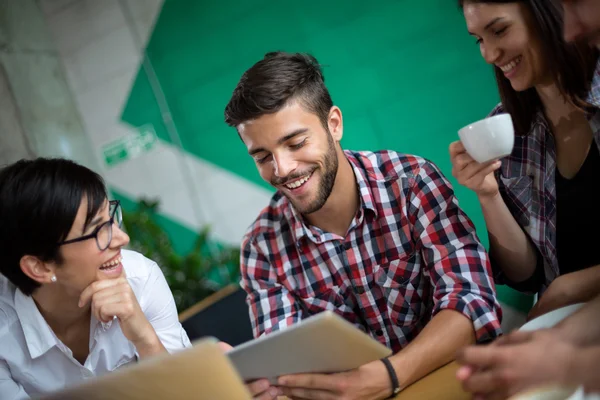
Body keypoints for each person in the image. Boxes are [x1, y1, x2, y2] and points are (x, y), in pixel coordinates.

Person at [223, 51, 502, 400]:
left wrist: (390, 375)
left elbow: (472, 300)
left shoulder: (412, 182)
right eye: (262, 157)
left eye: (295, 143)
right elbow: (288, 373)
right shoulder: (261, 248)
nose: (282, 169)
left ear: (334, 124)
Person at [449, 0, 600, 321]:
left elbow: (555, 290)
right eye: (479, 39)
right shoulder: (510, 129)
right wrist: (487, 194)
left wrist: (572, 287)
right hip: (566, 328)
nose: (489, 54)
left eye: (499, 30)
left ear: (550, 12)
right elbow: (527, 276)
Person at [0, 158, 192, 399]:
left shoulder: (139, 278)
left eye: (110, 219)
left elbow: (190, 393)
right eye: (97, 230)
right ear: (39, 267)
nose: (121, 238)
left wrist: (145, 339)